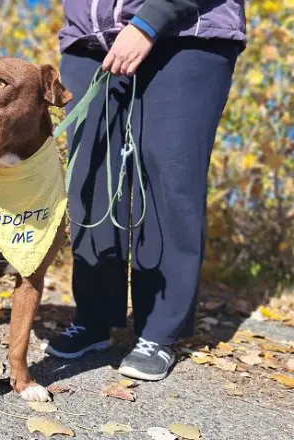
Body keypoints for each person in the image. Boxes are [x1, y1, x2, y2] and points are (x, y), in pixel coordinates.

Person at [42, 0, 246, 381]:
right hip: (89, 39)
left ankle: (159, 330)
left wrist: (150, 21)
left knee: (169, 177)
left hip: (187, 34)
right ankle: (94, 316)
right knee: (89, 178)